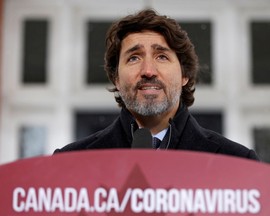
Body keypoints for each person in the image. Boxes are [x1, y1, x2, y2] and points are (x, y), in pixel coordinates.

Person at [54, 9, 259, 160]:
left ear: (184, 75)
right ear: (116, 77)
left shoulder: (238, 162)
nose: (148, 71)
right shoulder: (70, 161)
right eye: (134, 58)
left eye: (161, 56)